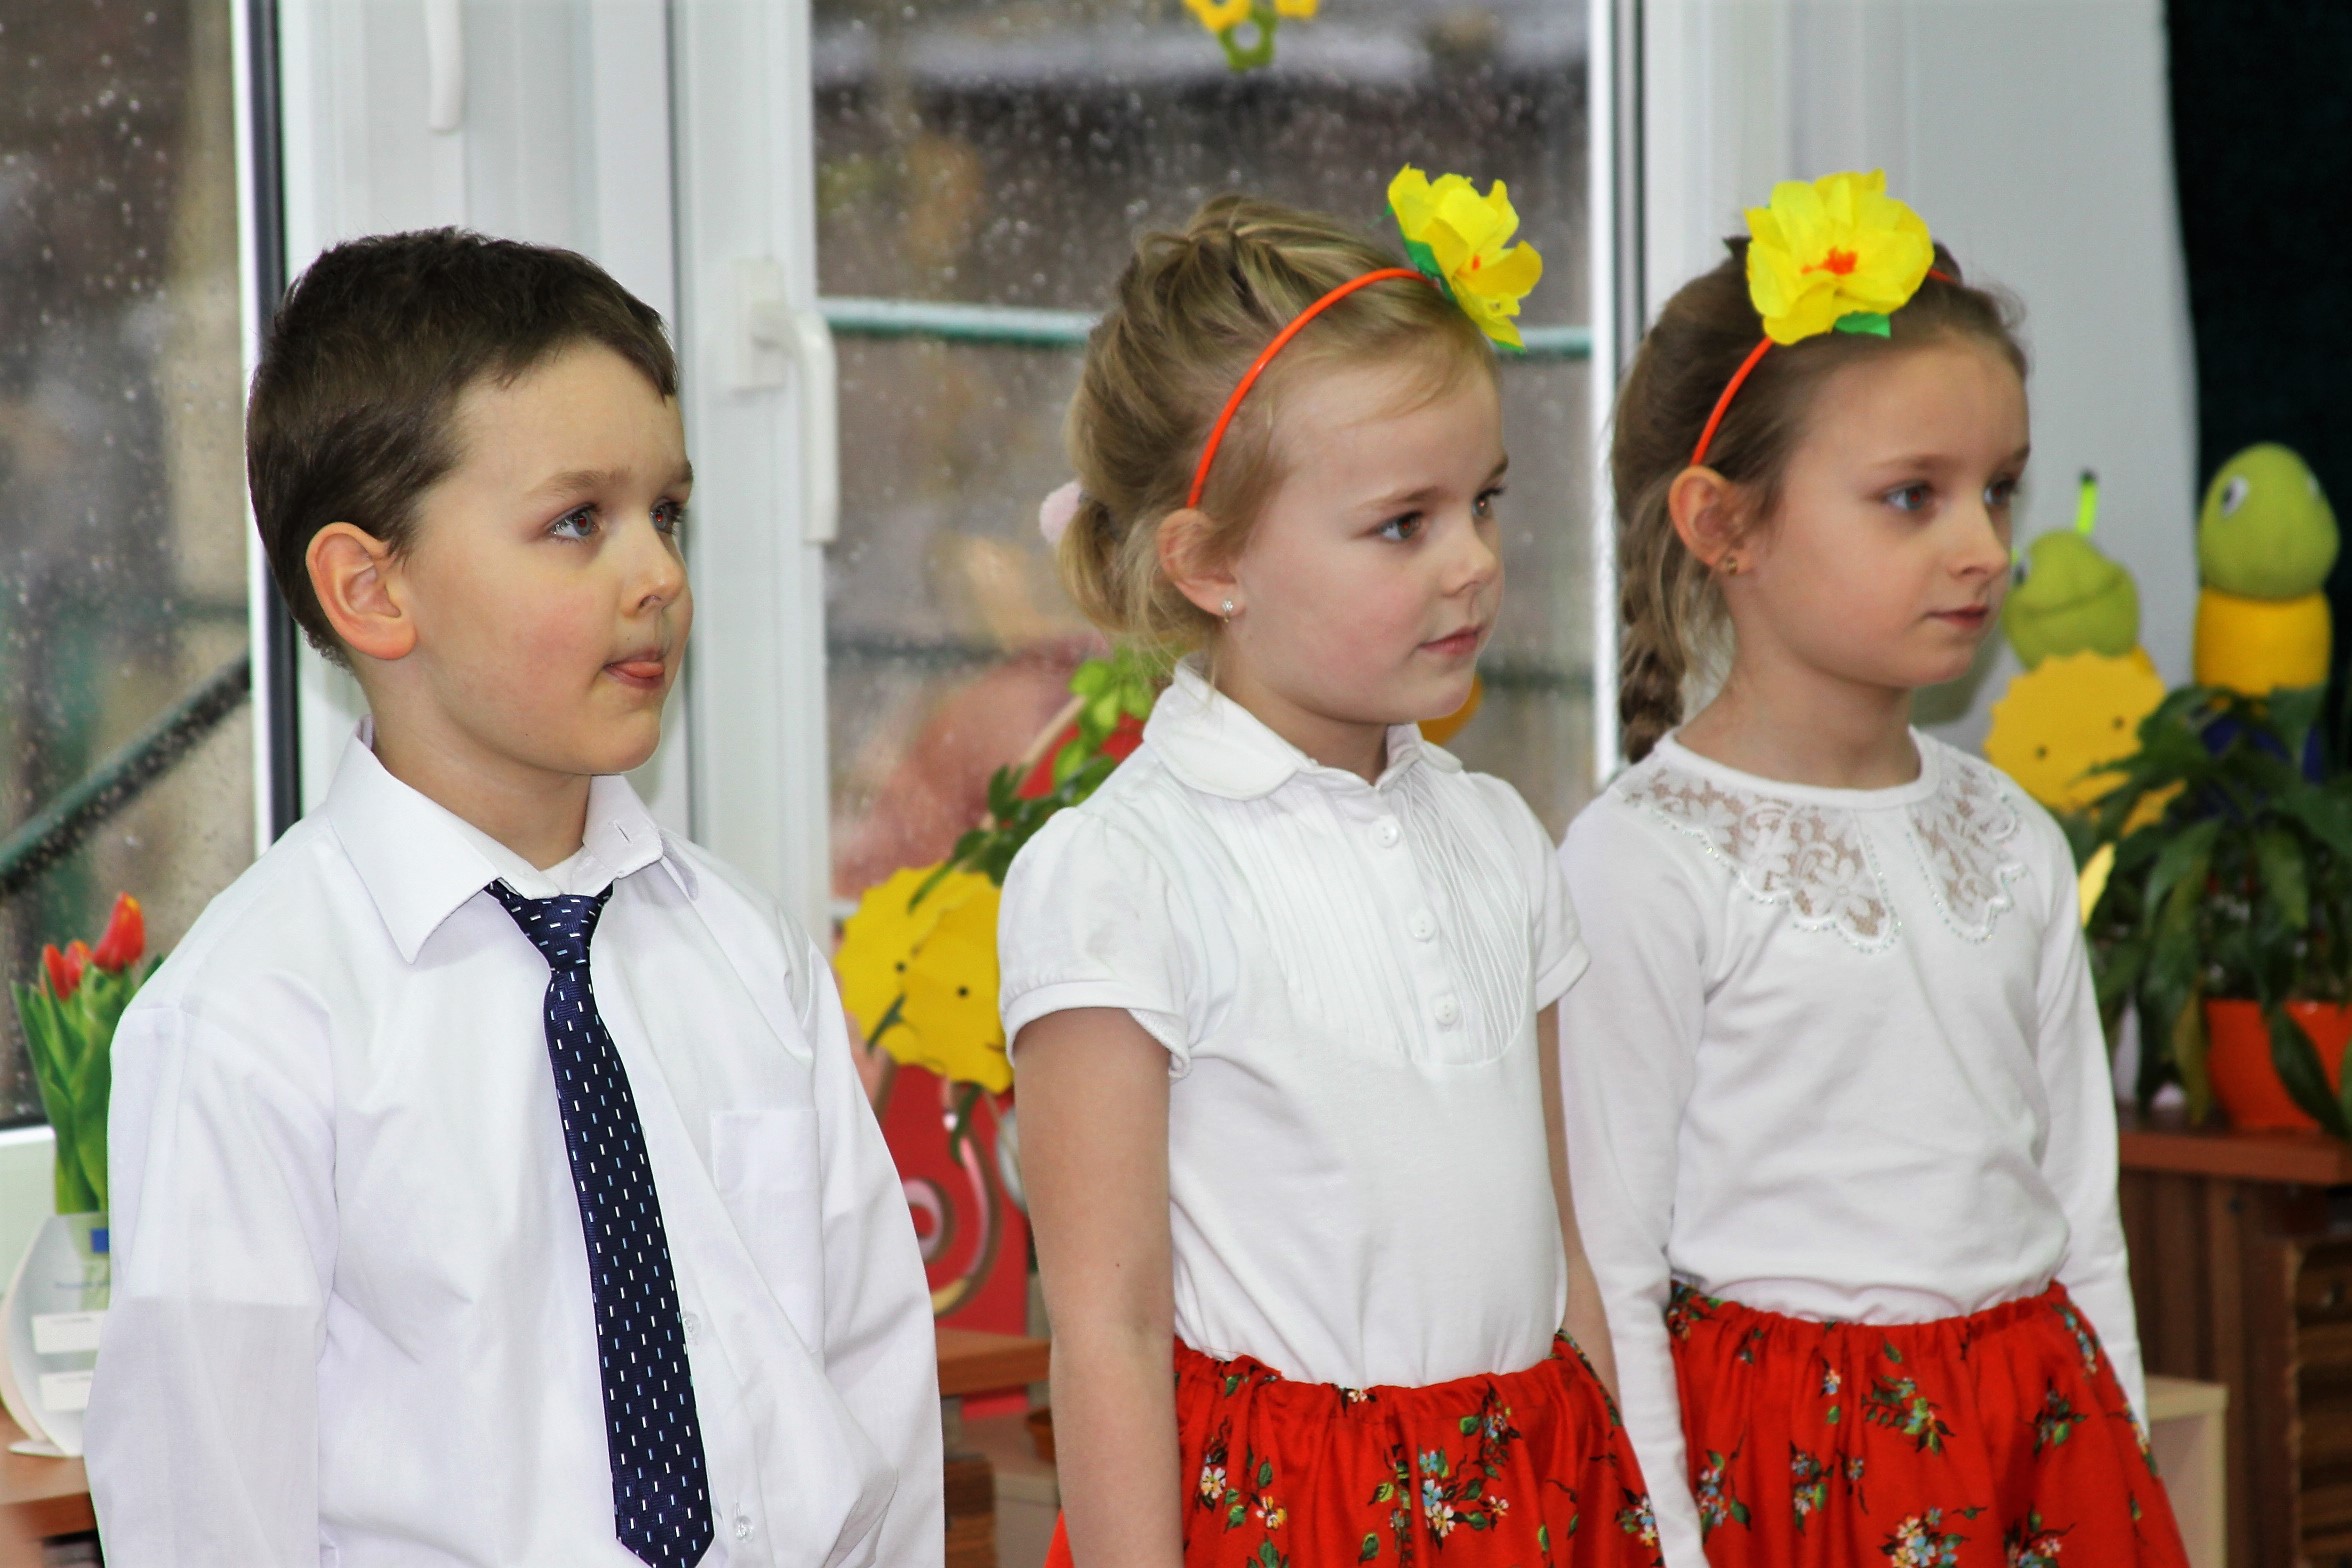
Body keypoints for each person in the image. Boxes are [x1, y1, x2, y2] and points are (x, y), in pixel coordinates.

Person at [83, 230, 943, 1567]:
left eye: (667, 513)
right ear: (373, 589)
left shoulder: (748, 957)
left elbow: (876, 1395)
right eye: (577, 522)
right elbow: (208, 1509)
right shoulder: (252, 1023)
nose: (658, 575)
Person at [1001, 176, 1658, 1568]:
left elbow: (1575, 1248)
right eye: (1403, 522)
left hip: (1533, 1501)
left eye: (1483, 502)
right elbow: (1109, 1331)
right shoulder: (1122, 876)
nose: (1473, 563)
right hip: (1289, 1523)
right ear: (1211, 562)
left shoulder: (1499, 840)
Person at [1556, 171, 2189, 1565]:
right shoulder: (1643, 860)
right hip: (1793, 1480)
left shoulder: (2013, 837)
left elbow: (2085, 1225)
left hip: (2035, 1441)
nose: (1983, 547)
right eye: (1913, 497)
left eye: (1998, 490)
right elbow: (1611, 1271)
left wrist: (2124, 1467)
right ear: (1723, 525)